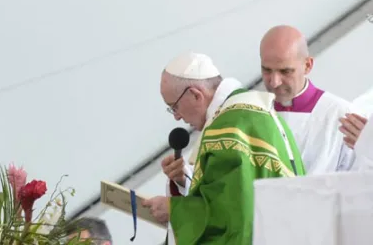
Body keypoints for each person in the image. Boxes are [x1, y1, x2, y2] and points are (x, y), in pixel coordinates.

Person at [143, 52, 304, 244]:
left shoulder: (228, 128)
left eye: (174, 107)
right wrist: (185, 179)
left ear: (196, 94)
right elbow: (239, 193)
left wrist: (174, 210)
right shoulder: (253, 112)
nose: (177, 117)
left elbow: (232, 218)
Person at [260, 25, 355, 173]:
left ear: (307, 65)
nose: (274, 82)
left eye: (285, 71)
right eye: (266, 70)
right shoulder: (252, 111)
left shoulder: (342, 115)